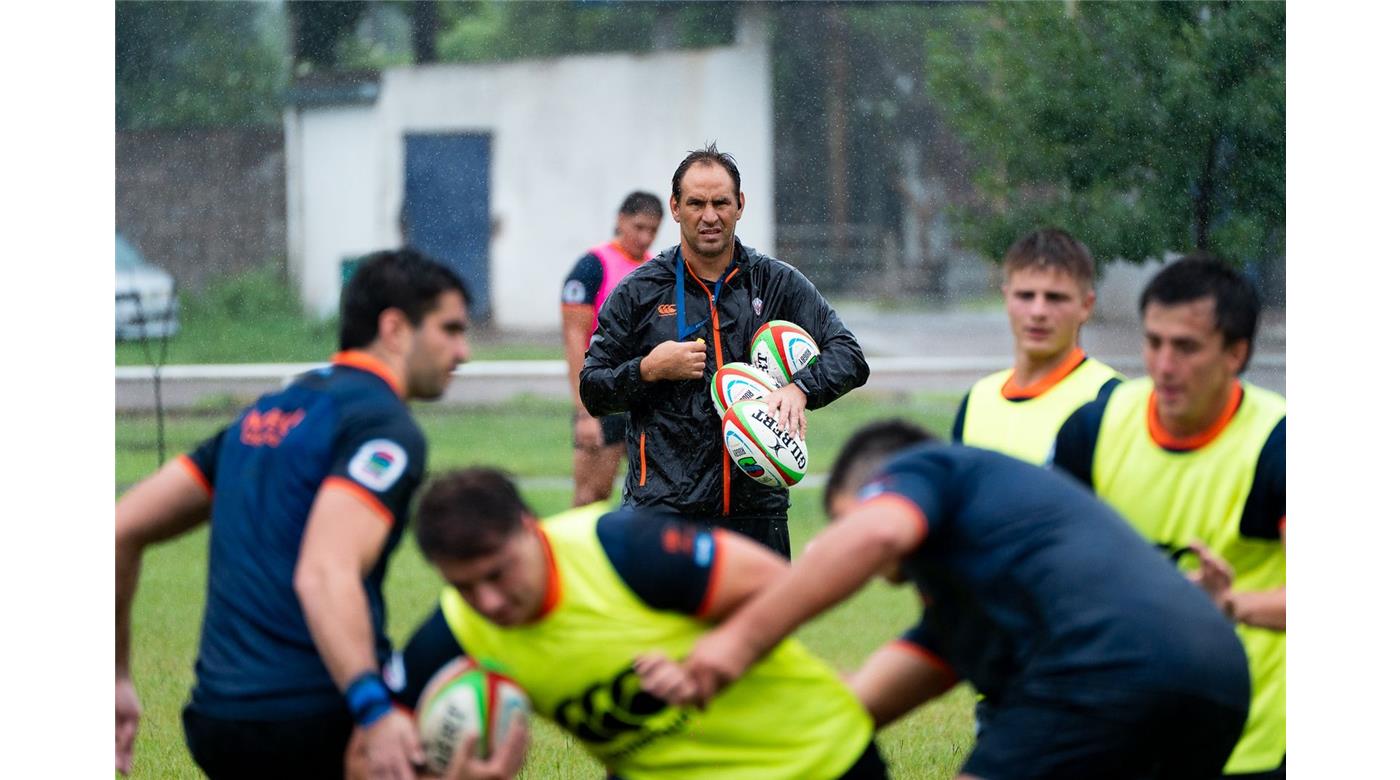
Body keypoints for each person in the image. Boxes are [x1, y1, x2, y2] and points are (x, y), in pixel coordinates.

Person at [661, 420, 1252, 780]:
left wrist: (735, 643)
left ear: (878, 488)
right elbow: (853, 710)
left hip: (1103, 666)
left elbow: (880, 532)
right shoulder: (970, 604)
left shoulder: (926, 466)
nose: (846, 544)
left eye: (844, 519)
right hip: (1215, 678)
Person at [115, 249, 472, 779]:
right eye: (450, 329)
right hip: (316, 714)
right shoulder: (383, 427)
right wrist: (374, 712)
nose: (463, 351)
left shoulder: (265, 413)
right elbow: (324, 573)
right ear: (395, 328)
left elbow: (118, 529)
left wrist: (114, 675)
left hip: (218, 719)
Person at [389, 467, 886, 780]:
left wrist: (716, 656)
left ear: (528, 528)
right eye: (465, 586)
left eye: (497, 573)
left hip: (817, 761)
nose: (489, 602)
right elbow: (378, 749)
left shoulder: (619, 547)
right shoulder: (457, 633)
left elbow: (786, 585)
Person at [1051, 254, 1285, 778]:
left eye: (1186, 347)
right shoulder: (1094, 428)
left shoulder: (1279, 444)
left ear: (1237, 353)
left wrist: (1230, 606)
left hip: (1251, 741)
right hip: (1125, 729)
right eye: (1154, 342)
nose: (1163, 365)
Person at [579, 143, 869, 558]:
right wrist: (648, 369)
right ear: (676, 208)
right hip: (664, 514)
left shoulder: (775, 283)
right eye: (696, 203)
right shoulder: (639, 292)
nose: (709, 215)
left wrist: (800, 388)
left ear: (740, 205)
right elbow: (593, 388)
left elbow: (849, 355)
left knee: (764, 626)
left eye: (721, 202)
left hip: (758, 515)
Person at [950, 227, 1122, 464]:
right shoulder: (977, 400)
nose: (1038, 311)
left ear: (1086, 306)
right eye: (1025, 296)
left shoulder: (1113, 400)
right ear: (1006, 298)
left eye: (1055, 297)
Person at [561, 191, 663, 506]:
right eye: (639, 227)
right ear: (620, 220)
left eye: (652, 230)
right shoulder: (592, 266)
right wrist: (585, 412)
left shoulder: (656, 269)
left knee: (657, 493)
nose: (645, 237)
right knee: (591, 495)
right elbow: (575, 339)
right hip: (604, 396)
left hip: (644, 397)